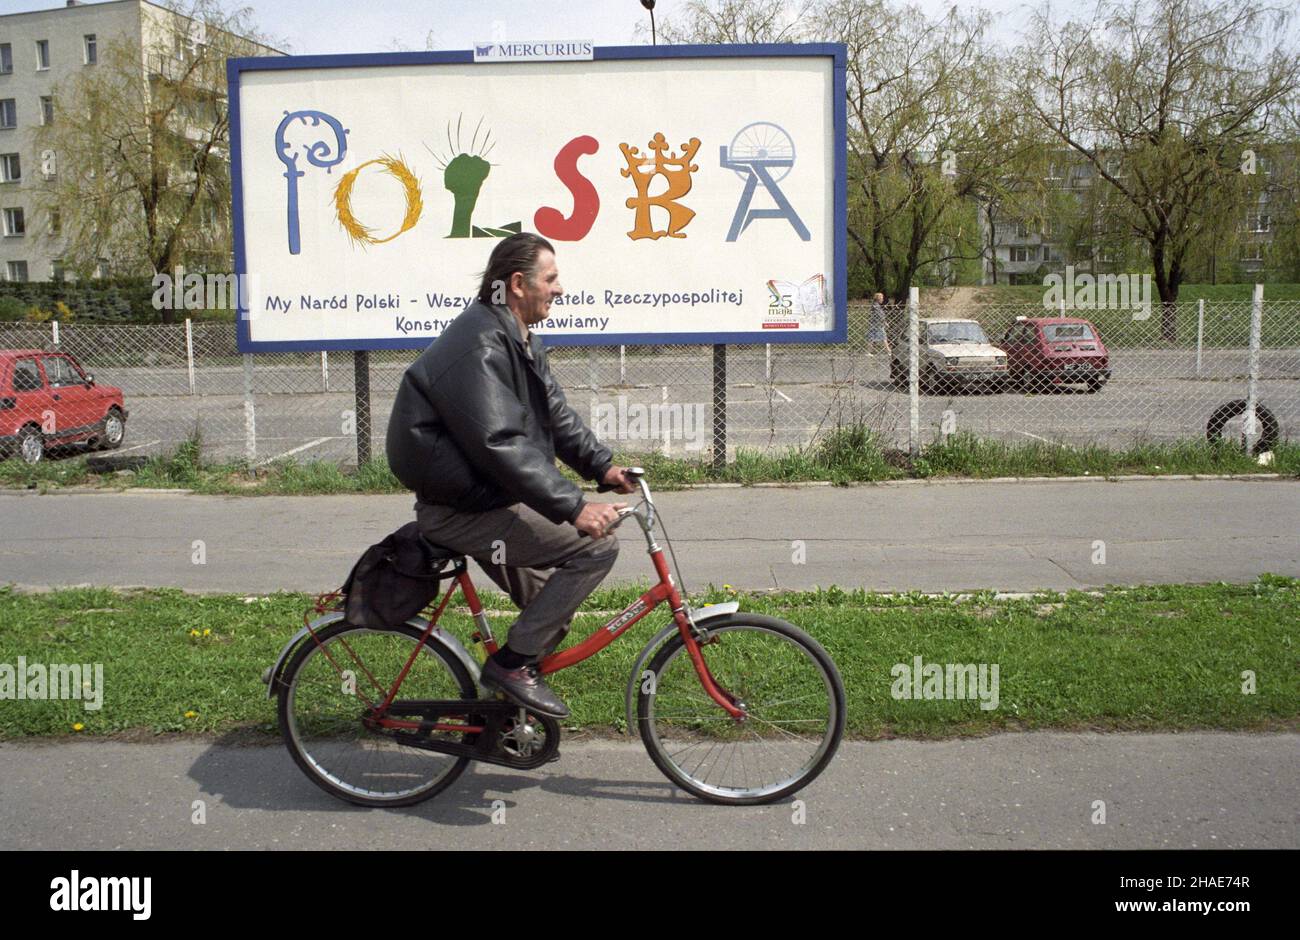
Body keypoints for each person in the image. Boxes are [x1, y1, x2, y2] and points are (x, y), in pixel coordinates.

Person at [385, 233, 636, 718]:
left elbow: (555, 417)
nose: (560, 289)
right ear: (518, 284)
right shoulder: (480, 344)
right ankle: (509, 669)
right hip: (463, 510)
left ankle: (504, 719)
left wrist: (601, 466)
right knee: (597, 546)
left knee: (548, 614)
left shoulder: (516, 336)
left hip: (486, 500)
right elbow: (500, 443)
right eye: (551, 278)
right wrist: (576, 508)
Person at [867, 291, 892, 356]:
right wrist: (885, 322)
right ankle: (888, 351)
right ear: (879, 299)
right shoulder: (876, 306)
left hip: (874, 324)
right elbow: (880, 315)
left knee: (872, 338)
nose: (883, 299)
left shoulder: (875, 305)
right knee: (883, 337)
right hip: (877, 325)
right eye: (882, 298)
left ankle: (869, 352)